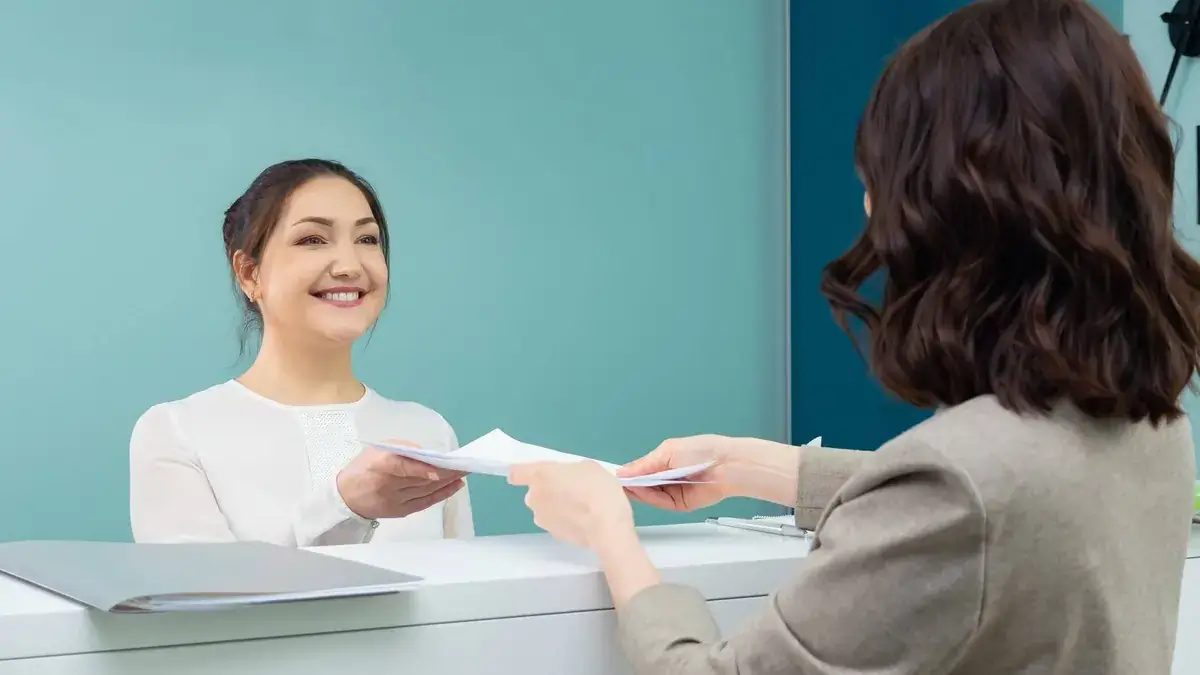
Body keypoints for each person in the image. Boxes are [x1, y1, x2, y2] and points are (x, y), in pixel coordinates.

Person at [508, 1, 1199, 673]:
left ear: (953, 203)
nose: (871, 207)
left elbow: (968, 501)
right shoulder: (1152, 429)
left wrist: (609, 534)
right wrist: (764, 468)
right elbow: (1007, 504)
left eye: (884, 177)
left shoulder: (963, 483)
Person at [130, 159, 472, 546]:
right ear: (248, 273)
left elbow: (464, 600)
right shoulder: (177, 432)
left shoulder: (428, 433)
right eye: (312, 239)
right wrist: (346, 507)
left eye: (367, 239)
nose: (349, 266)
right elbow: (204, 599)